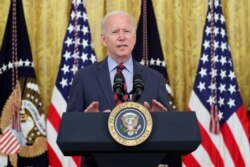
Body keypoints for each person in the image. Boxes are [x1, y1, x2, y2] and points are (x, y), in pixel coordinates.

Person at [66, 10, 180, 167]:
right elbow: (70, 132)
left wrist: (161, 121)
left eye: (126, 31)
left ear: (134, 37)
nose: (122, 37)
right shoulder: (84, 78)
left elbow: (171, 135)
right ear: (104, 39)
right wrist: (87, 124)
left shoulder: (155, 79)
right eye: (115, 32)